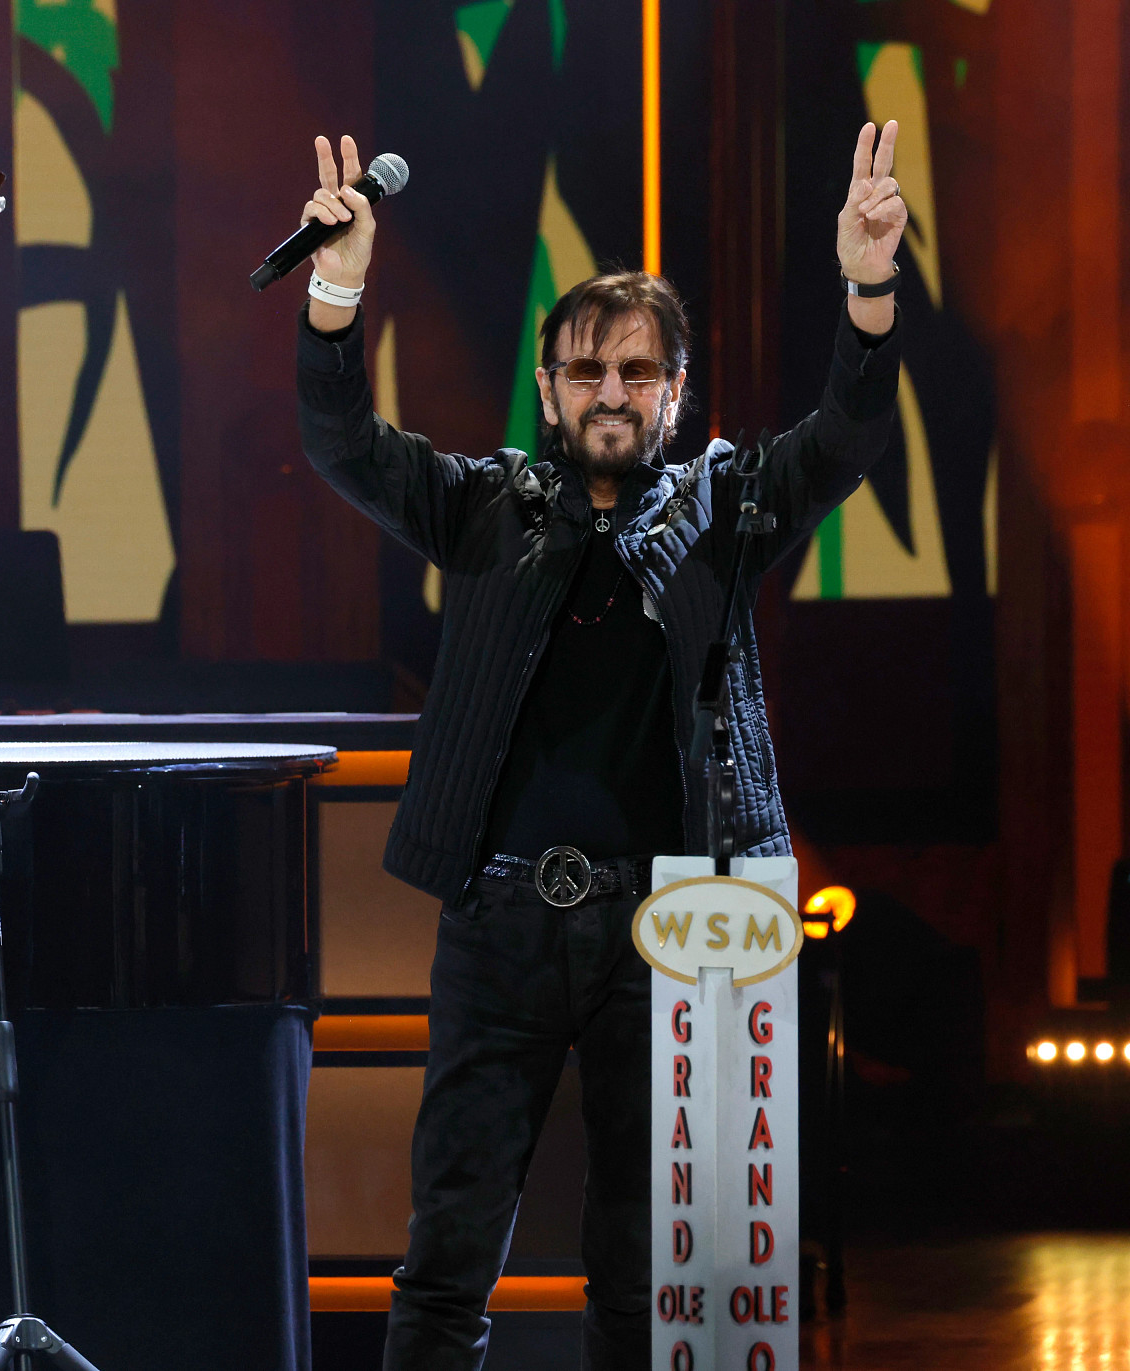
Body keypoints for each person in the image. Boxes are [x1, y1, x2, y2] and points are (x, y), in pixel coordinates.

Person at [295, 125, 908, 1368]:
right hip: (500, 928)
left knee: (650, 1277)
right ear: (547, 388)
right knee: (445, 1262)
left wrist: (866, 287)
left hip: (672, 931)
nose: (610, 392)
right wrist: (336, 291)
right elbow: (341, 442)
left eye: (635, 370)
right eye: (584, 371)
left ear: (674, 392)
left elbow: (844, 436)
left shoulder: (727, 506)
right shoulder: (480, 506)